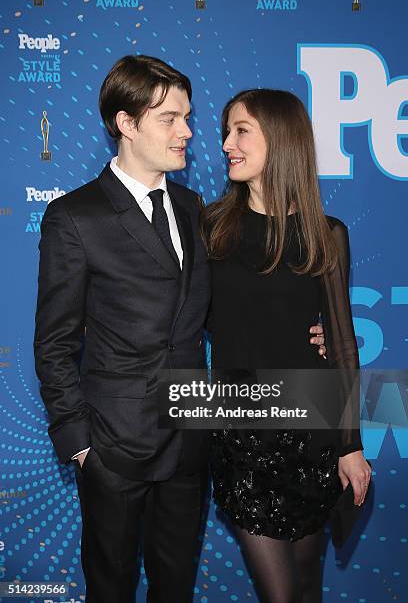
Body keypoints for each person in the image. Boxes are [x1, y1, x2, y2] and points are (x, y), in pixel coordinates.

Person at [34, 55, 326, 603]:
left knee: (176, 588)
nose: (189, 132)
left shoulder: (197, 210)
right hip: (112, 446)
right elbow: (54, 343)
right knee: (112, 587)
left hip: (191, 440)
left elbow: (246, 301)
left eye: (188, 117)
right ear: (127, 124)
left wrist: (321, 333)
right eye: (170, 118)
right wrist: (79, 446)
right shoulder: (76, 217)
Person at [202, 89, 372, 603]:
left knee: (305, 590)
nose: (227, 143)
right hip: (243, 437)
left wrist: (350, 445)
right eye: (226, 131)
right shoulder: (209, 230)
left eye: (241, 130)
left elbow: (342, 347)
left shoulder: (326, 234)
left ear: (281, 140)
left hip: (312, 436)